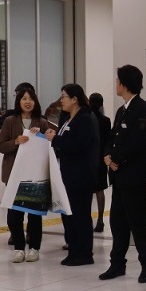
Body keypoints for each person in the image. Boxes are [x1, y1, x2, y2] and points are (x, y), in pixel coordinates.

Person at [102, 65, 146, 282]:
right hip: (118, 176)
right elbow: (112, 138)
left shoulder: (142, 109)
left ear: (124, 84)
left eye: (117, 81)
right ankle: (117, 264)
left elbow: (138, 142)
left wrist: (116, 158)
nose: (115, 84)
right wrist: (107, 156)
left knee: (138, 222)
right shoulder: (121, 110)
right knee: (117, 222)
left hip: (133, 176)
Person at [48, 84, 99, 266]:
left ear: (74, 99)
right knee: (70, 215)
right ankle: (74, 250)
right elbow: (65, 141)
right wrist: (54, 137)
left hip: (80, 175)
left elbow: (78, 145)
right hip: (67, 174)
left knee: (80, 215)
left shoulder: (85, 119)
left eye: (64, 96)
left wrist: (56, 139)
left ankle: (84, 253)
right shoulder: (68, 118)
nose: (61, 100)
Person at [0, 85, 49, 262]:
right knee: (15, 214)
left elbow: (48, 145)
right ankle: (19, 248)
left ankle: (34, 247)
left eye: (31, 99)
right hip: (14, 174)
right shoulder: (10, 121)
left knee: (34, 213)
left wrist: (40, 137)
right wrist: (16, 142)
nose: (28, 102)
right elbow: (1, 146)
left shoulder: (41, 122)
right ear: (18, 102)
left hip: (34, 175)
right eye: (24, 99)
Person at [90, 93, 112, 232]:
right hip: (101, 158)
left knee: (88, 190)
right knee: (100, 190)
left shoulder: (87, 119)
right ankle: (100, 220)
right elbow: (108, 139)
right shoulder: (106, 120)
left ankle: (87, 219)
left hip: (89, 158)